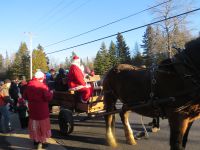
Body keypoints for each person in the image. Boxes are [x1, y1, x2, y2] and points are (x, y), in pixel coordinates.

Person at [23, 70, 53, 149]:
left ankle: (36, 142)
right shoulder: (42, 86)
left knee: (34, 126)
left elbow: (25, 96)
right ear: (41, 78)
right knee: (43, 127)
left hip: (33, 110)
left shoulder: (28, 85)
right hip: (42, 110)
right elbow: (48, 97)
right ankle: (42, 142)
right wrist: (51, 93)